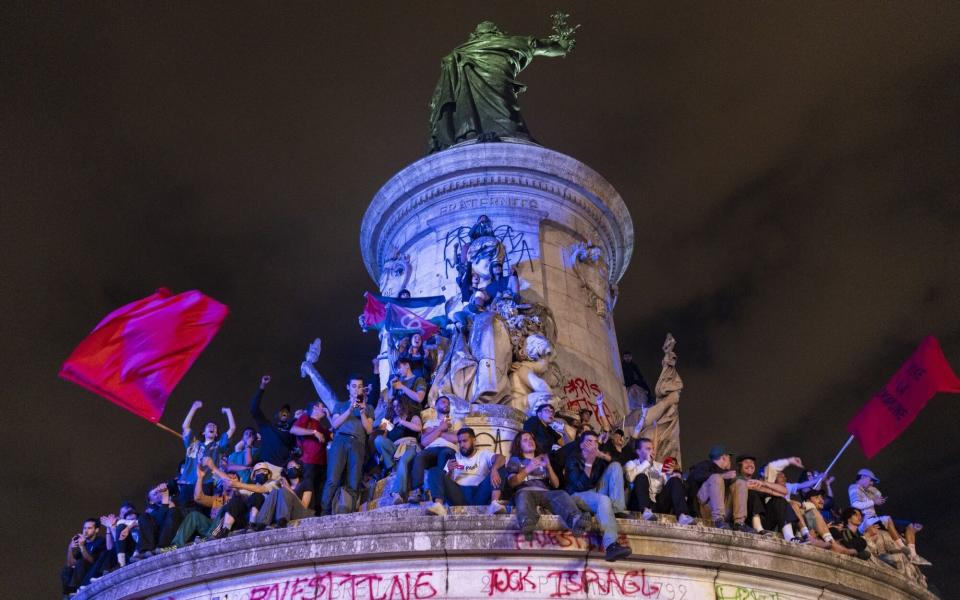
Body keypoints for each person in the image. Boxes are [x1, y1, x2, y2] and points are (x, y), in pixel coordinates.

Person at [564, 430, 632, 562]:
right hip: (577, 495)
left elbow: (620, 471)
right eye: (589, 441)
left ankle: (617, 508)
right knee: (604, 499)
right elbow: (579, 486)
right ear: (582, 445)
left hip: (595, 492)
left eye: (595, 442)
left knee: (615, 466)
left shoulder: (598, 459)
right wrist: (589, 462)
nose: (593, 445)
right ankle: (611, 546)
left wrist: (603, 456)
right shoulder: (572, 459)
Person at [506, 431, 588, 540]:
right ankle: (527, 524)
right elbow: (512, 482)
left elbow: (556, 484)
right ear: (519, 445)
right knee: (522, 496)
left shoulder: (543, 459)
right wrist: (528, 468)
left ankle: (576, 520)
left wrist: (549, 467)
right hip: (526, 491)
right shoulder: (515, 460)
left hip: (545, 492)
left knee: (561, 493)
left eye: (531, 439)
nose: (530, 441)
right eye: (525, 440)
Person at [319, 373, 375, 515]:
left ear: (363, 389)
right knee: (333, 478)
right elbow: (336, 424)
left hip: (358, 443)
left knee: (354, 480)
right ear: (348, 388)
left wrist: (362, 413)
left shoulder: (368, 408)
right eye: (354, 386)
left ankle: (349, 511)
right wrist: (350, 409)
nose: (357, 389)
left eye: (360, 386)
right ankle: (324, 511)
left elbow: (369, 429)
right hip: (340, 441)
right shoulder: (340, 405)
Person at [848, 468, 928, 564]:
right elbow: (855, 505)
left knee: (909, 525)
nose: (872, 483)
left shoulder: (868, 490)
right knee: (887, 518)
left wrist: (873, 494)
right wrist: (873, 501)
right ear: (863, 477)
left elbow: (879, 494)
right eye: (871, 480)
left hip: (875, 519)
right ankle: (902, 546)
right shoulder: (854, 487)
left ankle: (914, 555)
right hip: (867, 520)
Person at [425, 427, 506, 516]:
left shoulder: (484, 454)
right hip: (459, 495)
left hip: (480, 494)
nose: (462, 445)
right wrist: (449, 471)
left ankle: (494, 503)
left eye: (465, 441)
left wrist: (494, 469)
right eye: (459, 442)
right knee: (434, 471)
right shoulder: (453, 457)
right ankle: (438, 506)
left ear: (474, 441)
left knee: (499, 465)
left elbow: (501, 457)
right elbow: (444, 483)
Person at [624, 437, 694, 525]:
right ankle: (645, 511)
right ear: (638, 451)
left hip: (657, 504)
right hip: (638, 504)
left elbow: (671, 488)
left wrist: (670, 475)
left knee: (675, 480)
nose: (652, 451)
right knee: (641, 476)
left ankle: (682, 515)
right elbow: (630, 478)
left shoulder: (660, 467)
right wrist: (647, 463)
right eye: (648, 449)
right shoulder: (631, 464)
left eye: (653, 449)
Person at [178, 400, 235, 506]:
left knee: (201, 511)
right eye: (209, 426)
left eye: (214, 427)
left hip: (206, 483)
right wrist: (194, 408)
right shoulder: (194, 444)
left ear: (217, 433)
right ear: (203, 432)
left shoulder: (218, 446)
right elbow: (185, 427)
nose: (212, 427)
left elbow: (232, 428)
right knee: (183, 512)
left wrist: (228, 411)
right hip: (187, 483)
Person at [409, 395, 462, 503]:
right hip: (430, 450)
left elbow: (456, 438)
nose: (446, 404)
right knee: (419, 456)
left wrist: (436, 432)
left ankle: (441, 494)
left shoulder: (456, 422)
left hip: (448, 449)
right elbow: (424, 442)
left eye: (448, 403)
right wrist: (441, 429)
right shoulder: (429, 423)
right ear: (436, 406)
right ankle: (417, 491)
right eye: (443, 402)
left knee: (444, 454)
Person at [687, 445, 752, 532]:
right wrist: (722, 476)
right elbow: (695, 476)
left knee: (741, 482)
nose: (730, 461)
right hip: (705, 507)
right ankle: (718, 519)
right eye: (729, 458)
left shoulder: (727, 473)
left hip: (725, 510)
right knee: (716, 478)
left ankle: (739, 523)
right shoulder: (705, 465)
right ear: (724, 457)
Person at [373, 396, 422, 503]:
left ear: (404, 405)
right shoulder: (390, 421)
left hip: (410, 445)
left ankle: (398, 493)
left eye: (399, 405)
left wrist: (403, 422)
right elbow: (383, 437)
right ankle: (392, 467)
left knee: (403, 461)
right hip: (395, 447)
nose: (396, 408)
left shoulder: (412, 417)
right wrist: (385, 423)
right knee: (378, 440)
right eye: (394, 406)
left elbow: (418, 428)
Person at [251, 459, 316, 529]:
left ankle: (281, 521)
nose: (292, 468)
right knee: (274, 491)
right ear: (286, 471)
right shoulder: (284, 486)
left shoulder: (306, 482)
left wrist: (289, 489)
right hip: (290, 514)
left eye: (294, 466)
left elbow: (304, 506)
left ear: (299, 468)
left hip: (303, 513)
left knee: (283, 491)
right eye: (289, 467)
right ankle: (261, 522)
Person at [289, 400, 330, 509]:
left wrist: (330, 417)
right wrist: (314, 432)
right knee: (309, 488)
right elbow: (293, 429)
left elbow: (333, 435)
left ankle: (317, 513)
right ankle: (306, 512)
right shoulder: (306, 418)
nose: (325, 409)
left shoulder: (322, 427)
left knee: (319, 489)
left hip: (322, 464)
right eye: (322, 406)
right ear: (315, 408)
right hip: (308, 462)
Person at [249, 375, 296, 468]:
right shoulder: (266, 426)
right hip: (266, 469)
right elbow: (254, 408)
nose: (285, 412)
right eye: (282, 411)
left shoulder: (291, 431)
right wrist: (262, 386)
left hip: (282, 470)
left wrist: (299, 419)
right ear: (276, 415)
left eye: (287, 412)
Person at [61, 518, 104, 595]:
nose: (86, 531)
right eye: (84, 528)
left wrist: (82, 546)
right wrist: (70, 548)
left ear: (96, 530)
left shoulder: (100, 541)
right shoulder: (84, 544)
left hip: (93, 572)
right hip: (81, 573)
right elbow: (70, 564)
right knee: (66, 570)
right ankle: (68, 593)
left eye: (89, 528)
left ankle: (75, 590)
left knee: (80, 562)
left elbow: (91, 560)